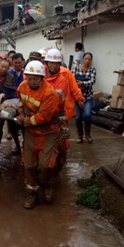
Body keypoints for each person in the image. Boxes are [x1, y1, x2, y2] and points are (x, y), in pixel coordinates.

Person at [17, 60, 63, 209]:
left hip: (48, 131)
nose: (31, 81)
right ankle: (32, 192)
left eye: (35, 78)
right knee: (28, 164)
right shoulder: (22, 87)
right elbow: (21, 102)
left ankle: (46, 184)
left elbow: (43, 117)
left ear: (42, 78)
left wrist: (24, 121)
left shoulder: (50, 94)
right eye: (29, 77)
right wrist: (20, 112)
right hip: (31, 131)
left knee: (46, 165)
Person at [45, 49, 84, 179]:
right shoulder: (42, 74)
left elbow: (74, 87)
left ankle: (61, 157)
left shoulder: (66, 74)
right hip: (45, 113)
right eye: (51, 62)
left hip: (62, 111)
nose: (53, 65)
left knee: (62, 138)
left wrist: (79, 98)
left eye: (56, 63)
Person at [0, 59, 22, 155]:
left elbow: (12, 92)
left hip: (7, 103)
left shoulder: (10, 77)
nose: (4, 69)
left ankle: (18, 147)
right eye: (2, 66)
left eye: (6, 67)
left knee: (12, 125)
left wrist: (4, 98)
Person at [72, 52, 97, 143]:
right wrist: (77, 84)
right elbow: (72, 81)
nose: (87, 61)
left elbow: (92, 81)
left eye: (89, 59)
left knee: (87, 115)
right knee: (78, 117)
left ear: (91, 60)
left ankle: (88, 134)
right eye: (86, 58)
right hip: (77, 98)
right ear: (83, 59)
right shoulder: (76, 68)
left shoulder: (92, 69)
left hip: (88, 97)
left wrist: (82, 83)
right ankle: (80, 136)